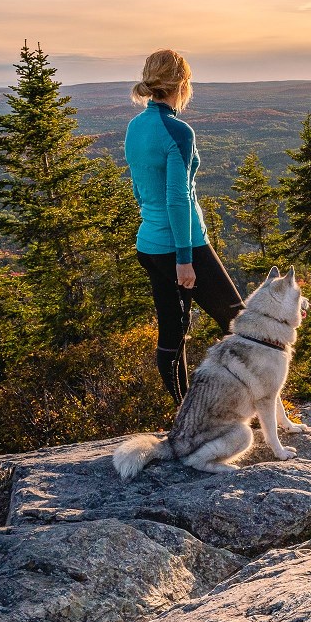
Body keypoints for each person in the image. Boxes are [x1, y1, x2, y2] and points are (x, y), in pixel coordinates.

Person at [125, 49, 245, 404]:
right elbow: (177, 198)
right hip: (184, 245)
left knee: (172, 333)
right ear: (182, 84)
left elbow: (138, 187)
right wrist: (183, 258)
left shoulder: (135, 127)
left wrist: (160, 233)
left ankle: (184, 414)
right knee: (241, 325)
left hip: (149, 245)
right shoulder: (177, 131)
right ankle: (260, 408)